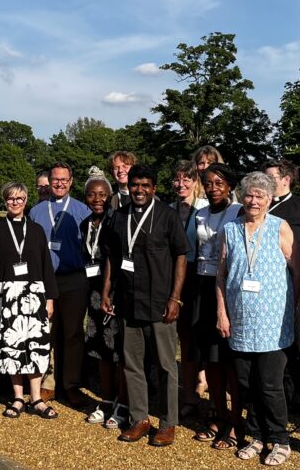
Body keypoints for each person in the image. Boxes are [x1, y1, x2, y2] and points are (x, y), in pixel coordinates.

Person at [216, 172, 300, 465]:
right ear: (242, 196)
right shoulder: (230, 230)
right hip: (239, 320)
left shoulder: (281, 228)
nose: (253, 201)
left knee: (270, 384)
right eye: (249, 195)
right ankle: (256, 435)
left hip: (272, 322)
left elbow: (298, 270)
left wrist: (295, 306)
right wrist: (221, 313)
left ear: (270, 199)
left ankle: (280, 439)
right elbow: (221, 275)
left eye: (260, 196)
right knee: (245, 383)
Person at [101, 164, 189, 447]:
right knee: (132, 364)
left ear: (154, 188)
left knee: (165, 365)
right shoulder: (118, 216)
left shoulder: (167, 216)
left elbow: (181, 257)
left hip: (161, 302)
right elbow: (113, 257)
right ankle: (139, 418)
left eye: (145, 185)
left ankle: (168, 422)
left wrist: (175, 298)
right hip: (128, 300)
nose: (139, 190)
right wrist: (106, 291)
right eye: (135, 185)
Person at [0, 182, 60, 420]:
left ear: (26, 200)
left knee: (35, 347)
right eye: (11, 198)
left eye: (20, 198)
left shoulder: (36, 230)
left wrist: (51, 298)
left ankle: (36, 397)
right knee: (12, 348)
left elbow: (46, 266)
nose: (15, 202)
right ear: (5, 201)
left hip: (34, 294)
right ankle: (17, 396)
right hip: (5, 295)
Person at [190, 163, 243, 450]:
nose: (213, 188)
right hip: (203, 287)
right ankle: (217, 413)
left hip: (229, 289)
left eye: (219, 183)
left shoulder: (238, 212)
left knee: (230, 358)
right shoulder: (199, 214)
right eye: (208, 183)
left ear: (230, 186)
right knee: (210, 358)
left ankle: (236, 420)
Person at [31, 162, 91, 406]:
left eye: (64, 180)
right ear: (50, 180)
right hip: (45, 279)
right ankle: (47, 381)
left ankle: (71, 384)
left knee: (73, 333)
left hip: (73, 277)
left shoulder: (82, 210)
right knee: (45, 332)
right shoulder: (36, 211)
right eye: (55, 179)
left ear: (71, 181)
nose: (59, 183)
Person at [265, 159, 300, 417]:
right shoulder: (262, 207)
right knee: (278, 345)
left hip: (299, 285)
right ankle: (283, 397)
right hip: (269, 289)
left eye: (271, 178)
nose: (267, 183)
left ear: (286, 179)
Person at [80, 173, 128, 428]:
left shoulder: (118, 221)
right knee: (101, 350)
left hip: (116, 292)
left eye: (102, 194)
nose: (97, 199)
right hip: (94, 294)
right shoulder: (85, 223)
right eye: (91, 194)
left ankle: (124, 402)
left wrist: (111, 292)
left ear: (109, 196)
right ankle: (107, 399)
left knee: (119, 350)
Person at [171, 159, 208, 422]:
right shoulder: (168, 209)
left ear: (195, 182)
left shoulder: (205, 209)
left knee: (202, 338)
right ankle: (189, 397)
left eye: (187, 179)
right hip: (175, 275)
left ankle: (205, 389)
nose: (181, 184)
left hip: (201, 277)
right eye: (177, 179)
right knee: (184, 338)